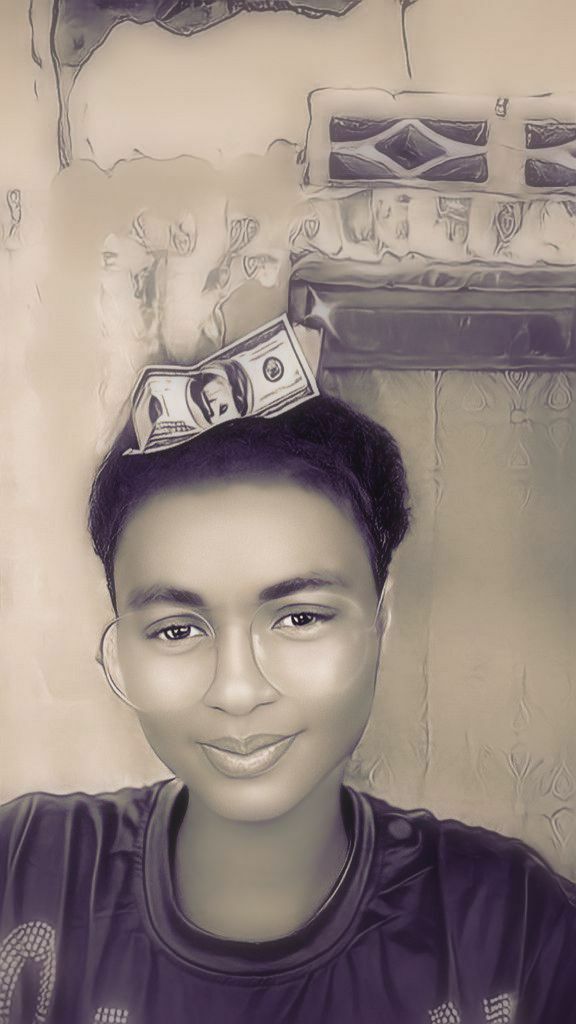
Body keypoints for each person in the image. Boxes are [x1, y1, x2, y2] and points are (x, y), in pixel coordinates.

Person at [1, 381, 576, 1024]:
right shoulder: (24, 872)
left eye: (300, 618)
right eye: (177, 630)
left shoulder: (513, 930)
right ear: (120, 650)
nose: (237, 691)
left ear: (380, 619)